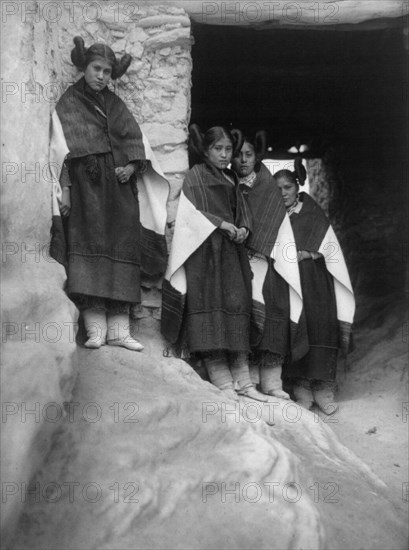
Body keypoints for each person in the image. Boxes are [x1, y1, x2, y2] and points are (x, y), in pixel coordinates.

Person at [49, 36, 169, 351]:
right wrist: (66, 188)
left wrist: (130, 169)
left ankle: (119, 330)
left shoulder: (116, 105)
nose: (101, 76)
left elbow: (136, 144)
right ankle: (95, 330)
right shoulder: (69, 102)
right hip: (86, 190)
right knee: (89, 249)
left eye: (106, 71)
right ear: (84, 68)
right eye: (96, 68)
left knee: (122, 250)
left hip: (118, 194)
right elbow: (60, 150)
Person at [161, 125, 268, 402]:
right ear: (205, 151)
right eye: (217, 149)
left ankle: (244, 383)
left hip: (231, 254)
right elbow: (189, 214)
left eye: (228, 150)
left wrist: (243, 227)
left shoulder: (232, 178)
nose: (224, 155)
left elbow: (243, 210)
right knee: (210, 311)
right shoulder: (195, 177)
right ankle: (223, 382)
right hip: (205, 254)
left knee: (236, 306)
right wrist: (220, 224)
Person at [275, 160, 355, 413]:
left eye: (288, 187)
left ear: (297, 187)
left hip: (315, 282)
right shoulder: (272, 215)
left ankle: (323, 390)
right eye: (278, 189)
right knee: (296, 329)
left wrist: (307, 254)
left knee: (320, 327)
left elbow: (329, 246)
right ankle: (301, 389)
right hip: (287, 284)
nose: (283, 193)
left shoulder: (310, 210)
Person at [232, 133, 307, 399]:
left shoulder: (266, 186)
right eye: (238, 154)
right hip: (237, 261)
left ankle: (272, 382)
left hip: (269, 260)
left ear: (257, 156)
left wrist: (263, 248)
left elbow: (277, 223)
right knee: (246, 316)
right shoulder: (227, 183)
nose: (243, 160)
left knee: (273, 316)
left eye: (249, 154)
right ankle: (248, 380)